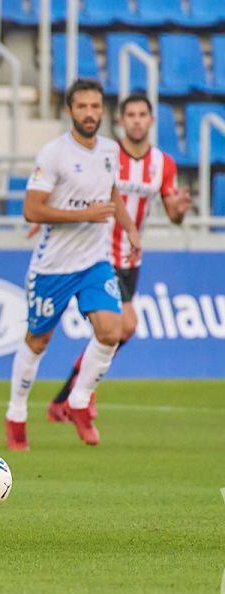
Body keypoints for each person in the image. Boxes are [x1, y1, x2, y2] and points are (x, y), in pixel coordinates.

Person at [5, 78, 141, 451]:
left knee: (112, 330)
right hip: (53, 266)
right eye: (82, 107)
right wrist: (83, 215)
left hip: (95, 262)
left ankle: (78, 401)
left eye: (96, 107)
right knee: (38, 340)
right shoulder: (53, 154)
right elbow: (32, 209)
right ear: (70, 111)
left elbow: (111, 192)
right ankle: (16, 413)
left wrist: (129, 229)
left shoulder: (111, 150)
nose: (90, 113)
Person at [46, 92, 190, 422]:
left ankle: (65, 399)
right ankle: (80, 394)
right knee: (124, 325)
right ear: (121, 121)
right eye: (132, 115)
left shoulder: (163, 164)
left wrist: (179, 211)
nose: (137, 120)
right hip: (97, 250)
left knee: (118, 330)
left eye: (143, 115)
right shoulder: (107, 155)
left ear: (151, 121)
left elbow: (172, 213)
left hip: (131, 257)